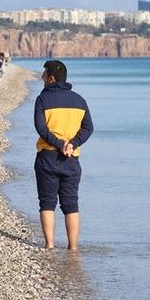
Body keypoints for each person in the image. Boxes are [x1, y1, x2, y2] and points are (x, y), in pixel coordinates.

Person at [34, 60, 94, 250]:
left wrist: (59, 144)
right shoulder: (80, 100)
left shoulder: (42, 99)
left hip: (48, 157)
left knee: (47, 202)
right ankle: (73, 248)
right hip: (71, 158)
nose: (42, 79)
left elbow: (41, 129)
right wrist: (72, 144)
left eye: (44, 75)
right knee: (71, 204)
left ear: (51, 78)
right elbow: (88, 128)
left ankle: (50, 245)